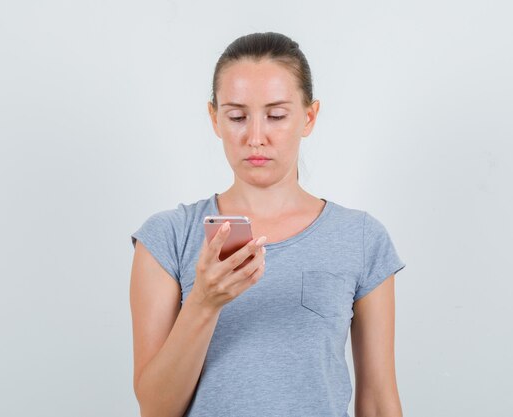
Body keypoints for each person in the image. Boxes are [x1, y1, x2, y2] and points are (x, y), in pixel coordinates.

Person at [129, 32, 406, 417]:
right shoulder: (168, 237)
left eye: (276, 115)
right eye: (237, 116)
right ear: (214, 119)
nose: (256, 137)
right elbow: (155, 408)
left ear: (308, 117)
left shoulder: (361, 238)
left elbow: (378, 403)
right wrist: (204, 303)